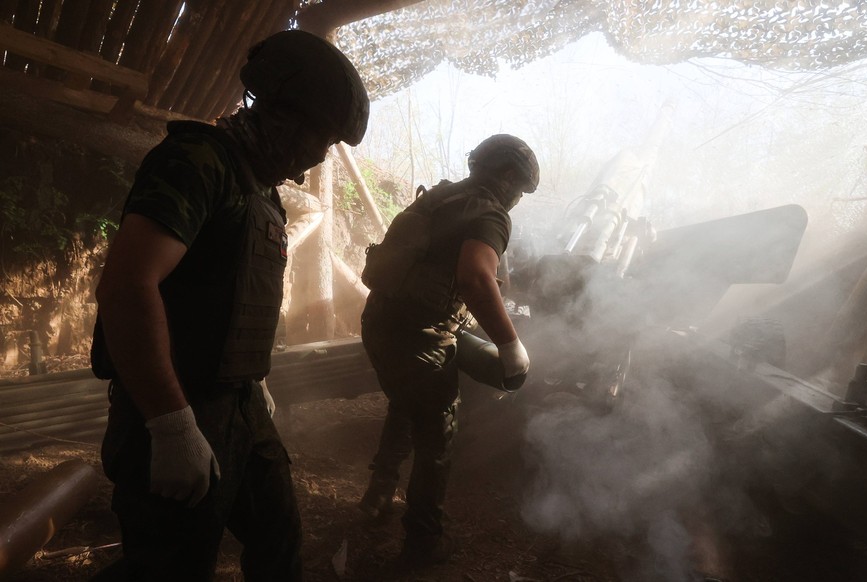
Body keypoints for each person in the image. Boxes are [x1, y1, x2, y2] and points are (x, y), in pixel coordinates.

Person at [89, 30, 369, 582]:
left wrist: (252, 380)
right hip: (175, 404)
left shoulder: (260, 191)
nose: (320, 155)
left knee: (278, 537)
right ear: (281, 116)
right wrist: (171, 425)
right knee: (170, 563)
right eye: (322, 137)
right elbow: (127, 285)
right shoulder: (196, 163)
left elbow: (234, 294)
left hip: (239, 403)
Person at [357, 134, 538, 565]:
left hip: (382, 323)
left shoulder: (443, 197)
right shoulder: (489, 211)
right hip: (420, 336)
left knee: (407, 401)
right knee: (436, 438)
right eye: (520, 191)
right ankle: (423, 542)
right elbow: (477, 278)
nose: (517, 201)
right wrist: (510, 346)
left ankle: (377, 495)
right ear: (509, 177)